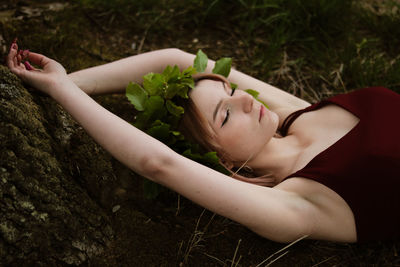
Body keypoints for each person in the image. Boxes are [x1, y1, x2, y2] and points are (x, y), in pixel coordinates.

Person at [6, 40, 400, 243]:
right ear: (220, 161)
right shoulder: (296, 207)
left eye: (231, 91)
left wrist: (70, 81)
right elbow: (159, 164)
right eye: (226, 114)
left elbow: (177, 61)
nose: (247, 98)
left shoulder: (299, 112)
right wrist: (59, 91)